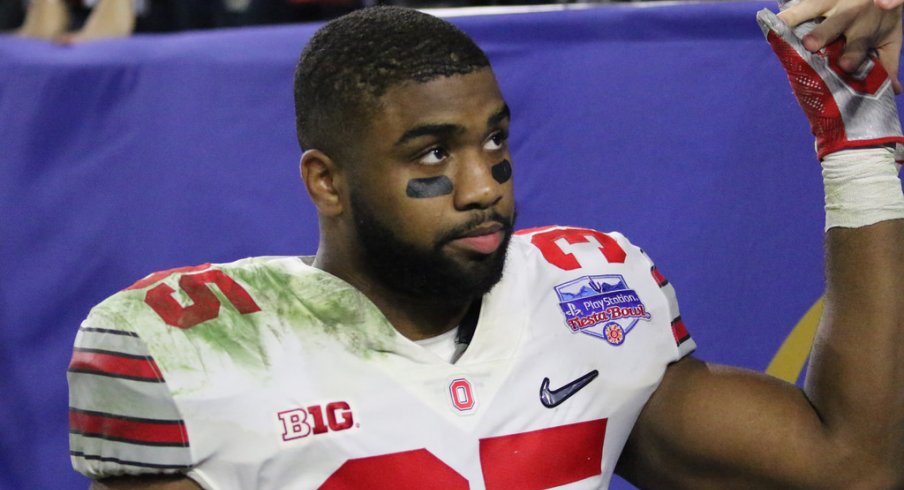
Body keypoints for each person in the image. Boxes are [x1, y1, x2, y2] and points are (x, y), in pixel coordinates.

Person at [67, 2, 904, 489]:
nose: (482, 184)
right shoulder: (188, 346)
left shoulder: (590, 296)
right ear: (327, 182)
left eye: (493, 142)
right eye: (432, 153)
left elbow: (854, 465)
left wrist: (859, 147)